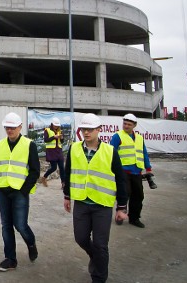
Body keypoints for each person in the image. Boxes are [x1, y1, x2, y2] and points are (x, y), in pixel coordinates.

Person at [63, 113, 128, 283]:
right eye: (84, 129)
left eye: (90, 129)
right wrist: (67, 196)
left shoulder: (110, 151)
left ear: (99, 130)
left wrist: (122, 207)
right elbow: (68, 173)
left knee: (100, 245)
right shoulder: (74, 149)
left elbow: (121, 179)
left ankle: (99, 277)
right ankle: (96, 257)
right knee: (81, 238)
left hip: (102, 205)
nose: (86, 133)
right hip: (82, 203)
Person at [0, 112, 40, 272]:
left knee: (20, 225)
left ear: (20, 127)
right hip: (4, 191)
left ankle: (31, 243)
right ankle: (10, 259)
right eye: (7, 127)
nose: (9, 130)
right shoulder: (1, 144)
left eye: (12, 127)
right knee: (6, 226)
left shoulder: (29, 144)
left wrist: (24, 190)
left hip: (19, 192)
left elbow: (35, 171)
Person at [109, 113, 153, 228]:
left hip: (137, 172)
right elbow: (111, 154)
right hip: (123, 172)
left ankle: (134, 218)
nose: (126, 126)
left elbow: (144, 154)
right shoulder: (117, 136)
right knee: (124, 194)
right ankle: (120, 215)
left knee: (138, 196)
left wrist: (148, 168)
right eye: (125, 123)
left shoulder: (139, 138)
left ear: (134, 125)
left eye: (129, 124)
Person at [40, 117, 64, 187]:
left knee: (62, 168)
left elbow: (62, 141)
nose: (56, 126)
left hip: (59, 151)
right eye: (55, 125)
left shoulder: (60, 131)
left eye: (57, 125)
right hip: (51, 152)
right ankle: (44, 177)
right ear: (52, 124)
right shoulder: (47, 130)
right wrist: (54, 137)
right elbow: (46, 140)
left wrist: (62, 138)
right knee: (54, 167)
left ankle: (63, 183)